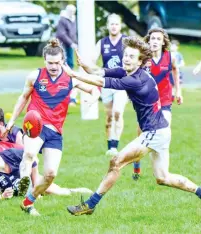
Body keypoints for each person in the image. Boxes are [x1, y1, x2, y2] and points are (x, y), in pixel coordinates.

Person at [62, 36, 201, 216]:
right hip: (160, 129)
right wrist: (84, 65)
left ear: (140, 61)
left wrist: (74, 74)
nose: (126, 58)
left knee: (116, 162)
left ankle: (90, 204)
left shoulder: (136, 80)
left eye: (131, 57)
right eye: (125, 55)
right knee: (162, 178)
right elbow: (100, 72)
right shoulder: (128, 72)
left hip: (154, 132)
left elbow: (100, 82)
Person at [4, 38, 100, 216]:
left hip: (56, 132)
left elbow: (95, 89)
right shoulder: (35, 76)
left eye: (57, 62)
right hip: (35, 123)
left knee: (50, 174)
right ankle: (24, 179)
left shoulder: (71, 78)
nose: (54, 66)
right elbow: (23, 98)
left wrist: (91, 100)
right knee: (30, 153)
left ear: (63, 61)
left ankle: (27, 203)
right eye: (50, 63)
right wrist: (11, 121)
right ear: (44, 61)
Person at [130, 28, 183, 179]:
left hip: (165, 100)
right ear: (148, 40)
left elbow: (175, 70)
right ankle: (137, 162)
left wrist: (178, 91)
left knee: (164, 128)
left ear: (163, 42)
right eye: (152, 38)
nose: (155, 41)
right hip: (147, 102)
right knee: (141, 132)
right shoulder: (143, 59)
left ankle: (162, 167)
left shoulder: (169, 56)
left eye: (158, 39)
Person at [0, 145, 93, 201]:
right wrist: (1, 197)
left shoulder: (12, 154)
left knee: (59, 193)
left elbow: (32, 159)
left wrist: (35, 185)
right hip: (15, 194)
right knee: (46, 194)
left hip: (32, 181)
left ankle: (74, 191)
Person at [93, 13, 128, 157]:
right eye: (111, 24)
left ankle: (115, 145)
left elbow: (137, 57)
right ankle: (109, 144)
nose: (114, 26)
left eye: (117, 24)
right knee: (108, 117)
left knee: (117, 113)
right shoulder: (102, 43)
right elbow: (92, 62)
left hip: (122, 83)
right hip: (106, 83)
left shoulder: (127, 41)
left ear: (120, 26)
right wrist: (95, 72)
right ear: (107, 26)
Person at [56, 4, 78, 106]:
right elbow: (61, 34)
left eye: (73, 11)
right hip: (63, 46)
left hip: (70, 46)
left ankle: (70, 97)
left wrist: (74, 43)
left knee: (70, 67)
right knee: (63, 68)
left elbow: (73, 33)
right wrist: (71, 43)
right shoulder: (63, 20)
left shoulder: (73, 19)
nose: (72, 13)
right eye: (70, 11)